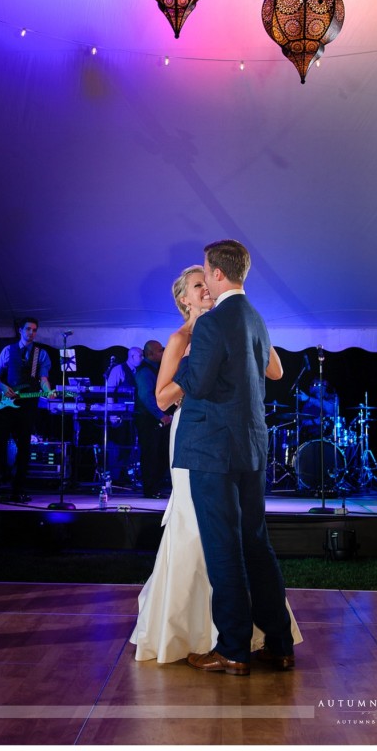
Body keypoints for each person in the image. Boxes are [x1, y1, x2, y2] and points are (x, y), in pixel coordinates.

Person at [130, 264, 302, 664]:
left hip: (231, 442)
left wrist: (238, 350)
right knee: (200, 534)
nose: (205, 288)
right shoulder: (180, 338)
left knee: (238, 540)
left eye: (206, 282)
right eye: (197, 286)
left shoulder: (236, 323)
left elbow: (274, 369)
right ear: (184, 300)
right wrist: (198, 365)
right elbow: (161, 399)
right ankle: (197, 629)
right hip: (197, 441)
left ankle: (241, 640)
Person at [172, 240, 295, 676]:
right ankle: (279, 643)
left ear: (218, 274)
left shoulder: (212, 323)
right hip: (251, 448)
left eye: (206, 271)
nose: (204, 278)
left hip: (213, 451)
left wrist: (182, 366)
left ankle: (233, 649)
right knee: (256, 545)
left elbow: (197, 385)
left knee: (224, 548)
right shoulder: (256, 319)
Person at [0, 317, 52, 502]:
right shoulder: (8, 350)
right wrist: (4, 388)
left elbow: (43, 379)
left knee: (24, 448)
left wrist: (48, 392)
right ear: (20, 330)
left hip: (27, 406)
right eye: (28, 329)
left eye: (34, 330)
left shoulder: (41, 354)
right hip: (6, 405)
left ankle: (18, 490)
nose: (31, 332)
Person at [134, 339, 171, 497]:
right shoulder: (145, 371)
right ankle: (150, 489)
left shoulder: (155, 369)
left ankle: (156, 487)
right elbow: (146, 396)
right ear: (150, 354)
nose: (163, 352)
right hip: (148, 420)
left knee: (161, 454)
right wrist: (161, 415)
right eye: (160, 350)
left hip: (156, 419)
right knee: (151, 455)